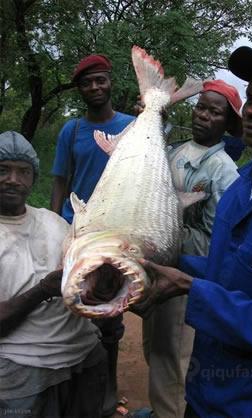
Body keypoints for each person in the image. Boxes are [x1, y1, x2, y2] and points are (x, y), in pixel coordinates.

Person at [137, 47, 252, 417]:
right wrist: (158, 263)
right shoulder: (239, 190)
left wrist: (189, 288)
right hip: (204, 394)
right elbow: (224, 270)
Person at [136, 80, 244, 418]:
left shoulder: (223, 170)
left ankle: (171, 412)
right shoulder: (177, 150)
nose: (204, 116)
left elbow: (218, 241)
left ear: (227, 124)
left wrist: (170, 233)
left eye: (215, 112)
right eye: (201, 107)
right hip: (159, 262)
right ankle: (158, 409)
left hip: (184, 273)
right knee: (154, 343)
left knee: (175, 352)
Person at [50, 54, 135, 415]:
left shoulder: (133, 126)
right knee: (71, 307)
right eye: (87, 83)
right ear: (80, 90)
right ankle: (72, 386)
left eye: (100, 80)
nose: (95, 87)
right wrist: (54, 225)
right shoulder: (71, 131)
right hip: (78, 230)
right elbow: (60, 181)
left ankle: (109, 389)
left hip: (114, 233)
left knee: (110, 313)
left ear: (110, 82)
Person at [0, 131, 106, 417]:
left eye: (22, 171)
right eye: (3, 170)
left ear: (33, 178)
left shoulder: (54, 222)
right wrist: (43, 290)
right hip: (22, 370)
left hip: (84, 357)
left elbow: (90, 288)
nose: (13, 179)